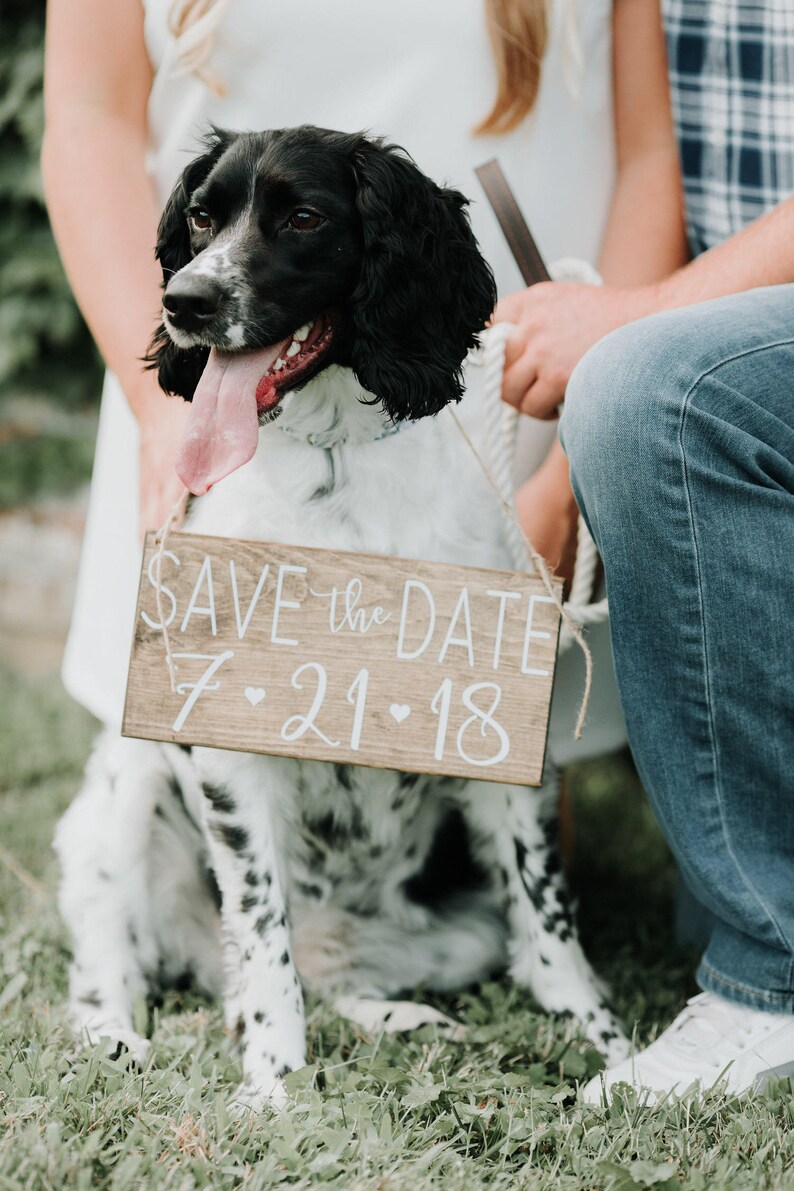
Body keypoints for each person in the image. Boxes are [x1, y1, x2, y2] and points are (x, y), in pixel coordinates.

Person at [42, 0, 686, 783]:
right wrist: (160, 415)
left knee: (471, 833)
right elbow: (86, 122)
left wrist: (569, 481)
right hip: (225, 395)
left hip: (507, 409)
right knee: (222, 801)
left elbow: (649, 154)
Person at [498, 1, 794, 1099]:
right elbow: (648, 160)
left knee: (644, 387)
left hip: (724, 342)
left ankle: (774, 984)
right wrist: (563, 479)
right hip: (745, 341)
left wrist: (637, 325)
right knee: (701, 888)